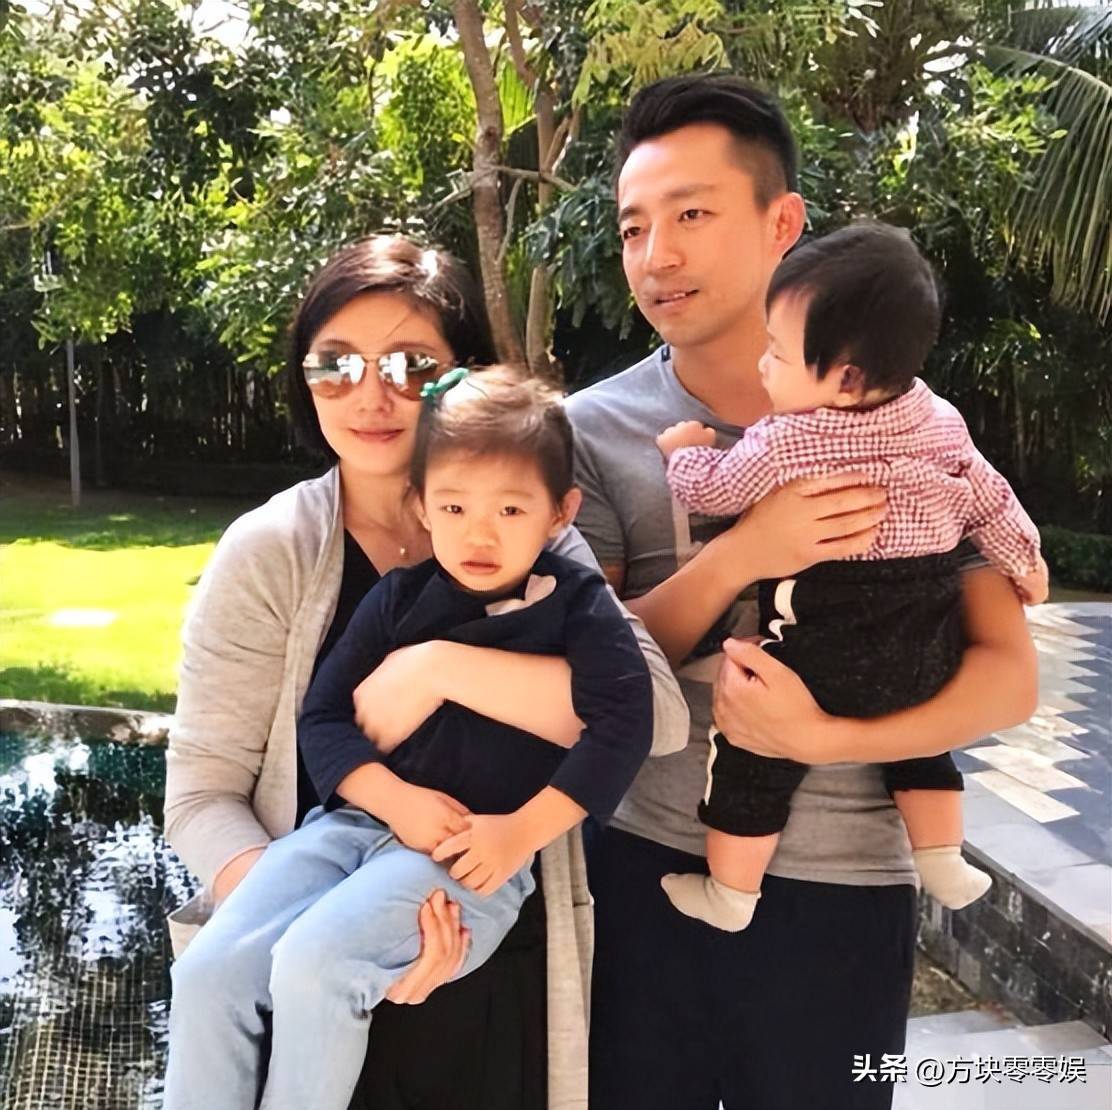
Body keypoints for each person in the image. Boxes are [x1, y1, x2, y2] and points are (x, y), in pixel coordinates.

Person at [565, 74, 1038, 1110]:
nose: (656, 255)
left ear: (782, 223)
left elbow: (1008, 680)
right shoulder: (592, 429)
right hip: (641, 870)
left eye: (691, 214)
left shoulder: (914, 424)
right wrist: (746, 552)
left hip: (848, 886)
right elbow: (589, 667)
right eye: (633, 227)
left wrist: (829, 739)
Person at [163, 235, 687, 1110]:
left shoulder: (535, 541)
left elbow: (653, 717)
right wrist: (318, 928)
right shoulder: (273, 550)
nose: (371, 394)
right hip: (311, 946)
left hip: (484, 965)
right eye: (336, 364)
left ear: (462, 380)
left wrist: (438, 668)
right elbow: (200, 795)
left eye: (411, 365)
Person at [653, 221, 1047, 933]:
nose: (764, 366)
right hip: (923, 638)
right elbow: (990, 497)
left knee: (750, 750)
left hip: (821, 649)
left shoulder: (789, 438)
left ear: (846, 379)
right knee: (921, 741)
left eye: (777, 353)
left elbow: (713, 490)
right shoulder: (940, 420)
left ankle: (732, 892)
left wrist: (683, 452)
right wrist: (1025, 560)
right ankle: (942, 857)